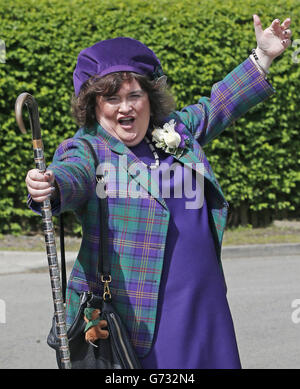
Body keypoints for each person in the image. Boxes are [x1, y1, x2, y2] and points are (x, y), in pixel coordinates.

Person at [25, 14, 291, 368]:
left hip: (204, 302)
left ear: (150, 98)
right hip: (138, 313)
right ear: (93, 106)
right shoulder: (86, 149)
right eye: (111, 98)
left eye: (135, 95)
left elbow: (220, 104)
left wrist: (263, 56)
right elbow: (70, 174)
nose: (126, 107)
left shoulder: (175, 130)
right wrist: (52, 184)